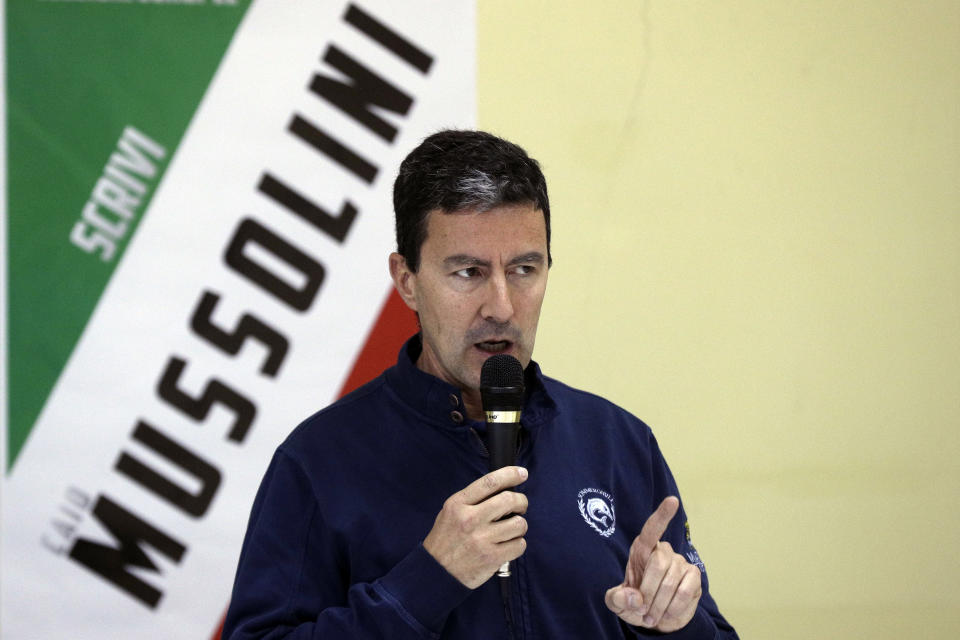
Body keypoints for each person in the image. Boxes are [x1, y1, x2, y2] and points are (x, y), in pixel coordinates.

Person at [222, 130, 738, 639]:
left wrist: (676, 626)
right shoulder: (318, 461)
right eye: (468, 272)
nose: (502, 307)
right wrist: (426, 582)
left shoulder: (618, 443)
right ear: (407, 280)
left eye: (523, 269)